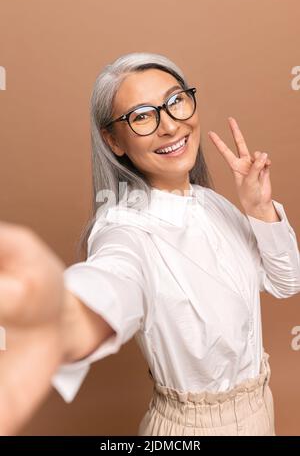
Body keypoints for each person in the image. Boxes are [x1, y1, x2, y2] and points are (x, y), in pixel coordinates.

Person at [1, 52, 300, 436]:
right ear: (113, 140)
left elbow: (287, 281)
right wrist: (64, 317)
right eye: (142, 116)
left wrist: (259, 210)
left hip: (261, 412)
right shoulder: (124, 227)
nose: (171, 126)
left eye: (176, 101)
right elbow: (114, 277)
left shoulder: (213, 204)